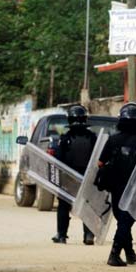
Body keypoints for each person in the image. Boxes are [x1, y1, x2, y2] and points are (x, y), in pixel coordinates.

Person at [97, 102, 136, 267]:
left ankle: (130, 253)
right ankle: (114, 254)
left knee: (123, 220)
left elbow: (100, 163)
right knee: (126, 220)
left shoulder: (113, 140)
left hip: (116, 187)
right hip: (135, 188)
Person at [52, 105, 97, 245]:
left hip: (68, 178)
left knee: (63, 206)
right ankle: (89, 235)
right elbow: (97, 158)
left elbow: (58, 159)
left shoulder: (65, 138)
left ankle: (61, 235)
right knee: (87, 206)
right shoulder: (92, 137)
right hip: (87, 178)